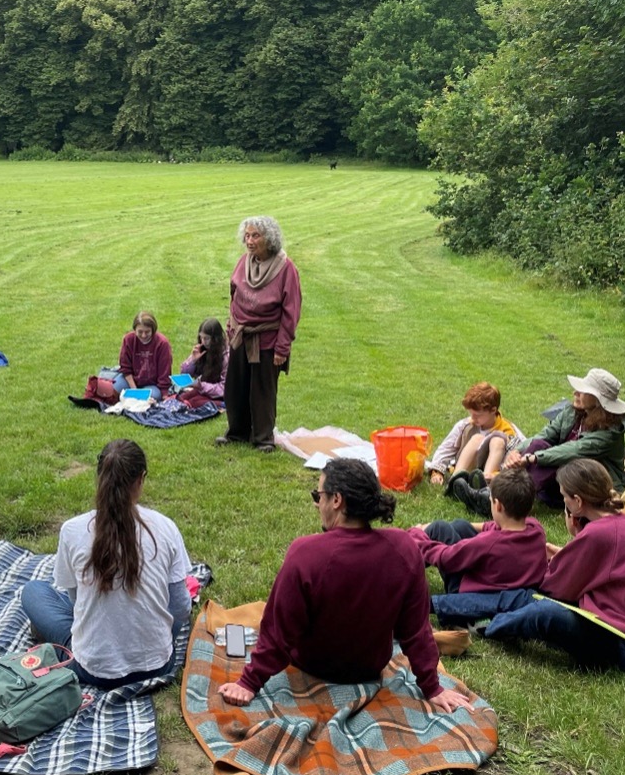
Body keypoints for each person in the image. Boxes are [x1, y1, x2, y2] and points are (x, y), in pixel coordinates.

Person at [218, 458, 473, 713]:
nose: (317, 504)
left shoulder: (305, 553)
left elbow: (279, 631)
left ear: (337, 500)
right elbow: (416, 629)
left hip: (312, 665)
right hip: (369, 669)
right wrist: (432, 687)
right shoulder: (404, 548)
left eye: (318, 496)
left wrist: (248, 682)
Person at [473, 460, 625, 672]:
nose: (564, 505)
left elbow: (555, 588)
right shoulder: (624, 524)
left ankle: (490, 627)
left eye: (564, 498)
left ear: (577, 502)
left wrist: (557, 555)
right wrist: (568, 553)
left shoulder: (598, 533)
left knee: (543, 609)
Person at [21, 440, 192, 688]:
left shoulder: (72, 530)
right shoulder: (165, 527)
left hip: (92, 669)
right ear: (141, 479)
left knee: (34, 591)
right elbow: (180, 607)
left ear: (99, 476)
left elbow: (75, 600)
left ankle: (79, 639)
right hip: (157, 664)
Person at [455, 368, 625, 513]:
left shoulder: (610, 432)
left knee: (556, 458)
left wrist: (533, 458)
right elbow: (545, 435)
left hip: (589, 489)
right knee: (539, 445)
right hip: (559, 482)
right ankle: (495, 492)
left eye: (583, 391)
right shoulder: (573, 413)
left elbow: (573, 450)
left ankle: (501, 499)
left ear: (598, 401)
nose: (575, 392)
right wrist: (519, 451)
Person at [412, 468, 549, 626]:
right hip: (504, 585)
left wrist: (419, 535)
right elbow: (491, 526)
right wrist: (465, 526)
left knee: (439, 528)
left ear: (497, 505)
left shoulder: (489, 543)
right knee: (460, 525)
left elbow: (446, 558)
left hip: (470, 594)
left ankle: (401, 562)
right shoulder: (536, 529)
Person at [217, 216, 302, 453]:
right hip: (240, 336)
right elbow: (234, 293)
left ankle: (263, 438)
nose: (250, 241)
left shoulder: (286, 269)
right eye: (247, 235)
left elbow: (291, 312)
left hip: (267, 340)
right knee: (235, 387)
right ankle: (237, 433)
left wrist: (282, 348)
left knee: (262, 391)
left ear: (270, 239)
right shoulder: (244, 261)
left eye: (256, 236)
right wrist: (231, 324)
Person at [426, 383, 526, 486]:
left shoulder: (509, 431)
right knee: (477, 439)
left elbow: (522, 454)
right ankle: (456, 481)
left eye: (477, 415)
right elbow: (446, 448)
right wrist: (437, 471)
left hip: (492, 475)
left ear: (493, 410)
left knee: (497, 440)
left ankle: (484, 487)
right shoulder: (466, 425)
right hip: (467, 469)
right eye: (470, 413)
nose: (473, 418)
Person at [115, 311, 173, 396]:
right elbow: (125, 368)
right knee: (113, 390)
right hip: (130, 380)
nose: (143, 335)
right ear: (135, 330)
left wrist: (164, 394)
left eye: (147, 332)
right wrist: (134, 390)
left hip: (152, 384)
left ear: (153, 330)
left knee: (153, 396)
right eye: (140, 332)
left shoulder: (162, 344)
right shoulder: (128, 340)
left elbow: (164, 373)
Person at [177, 318, 229, 400]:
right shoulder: (201, 349)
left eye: (206, 338)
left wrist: (201, 386)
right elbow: (184, 375)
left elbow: (224, 388)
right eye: (201, 338)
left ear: (215, 339)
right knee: (179, 398)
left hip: (216, 395)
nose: (203, 342)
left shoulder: (226, 356)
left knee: (193, 402)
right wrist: (193, 361)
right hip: (202, 390)